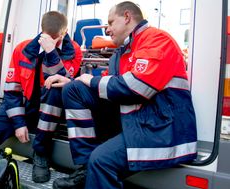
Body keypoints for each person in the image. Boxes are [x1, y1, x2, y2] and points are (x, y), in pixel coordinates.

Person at [46, 2, 197, 189]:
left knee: (101, 161)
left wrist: (90, 80)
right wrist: (73, 81)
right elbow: (108, 81)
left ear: (127, 17)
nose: (107, 29)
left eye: (110, 22)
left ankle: (93, 165)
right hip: (140, 121)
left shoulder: (157, 40)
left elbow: (135, 87)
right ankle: (85, 167)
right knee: (74, 89)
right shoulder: (123, 51)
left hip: (161, 127)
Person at [0, 11, 82, 183]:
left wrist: (51, 52)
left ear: (64, 33)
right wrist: (19, 123)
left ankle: (40, 154)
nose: (50, 41)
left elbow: (62, 80)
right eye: (47, 37)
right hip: (22, 106)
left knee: (54, 88)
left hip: (51, 110)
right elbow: (12, 90)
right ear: (41, 30)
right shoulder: (22, 48)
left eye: (55, 38)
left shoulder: (73, 51)